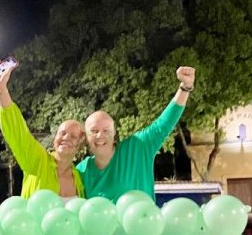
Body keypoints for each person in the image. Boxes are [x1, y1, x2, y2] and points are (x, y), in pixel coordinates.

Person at [77, 67, 196, 202]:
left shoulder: (137, 148)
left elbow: (163, 125)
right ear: (86, 136)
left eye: (106, 130)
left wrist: (185, 87)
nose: (100, 136)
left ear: (114, 132)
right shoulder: (81, 171)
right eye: (94, 131)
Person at [0, 60, 85, 200]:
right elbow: (19, 133)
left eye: (72, 136)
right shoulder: (39, 161)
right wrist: (1, 90)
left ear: (80, 144)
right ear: (54, 140)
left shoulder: (79, 178)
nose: (65, 138)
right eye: (62, 133)